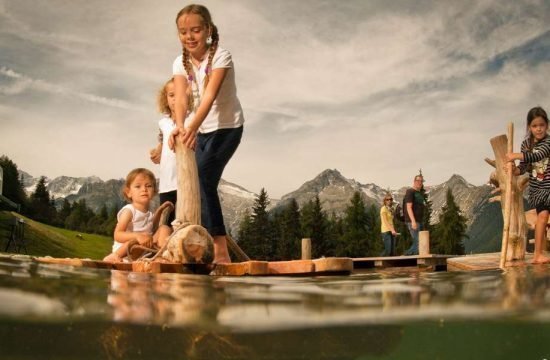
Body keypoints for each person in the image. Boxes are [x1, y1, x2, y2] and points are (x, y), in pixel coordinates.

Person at [169, 4, 244, 264]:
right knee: (195, 182)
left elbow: (210, 96)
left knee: (203, 179)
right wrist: (180, 125)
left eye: (196, 30)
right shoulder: (180, 62)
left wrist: (190, 127)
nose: (189, 37)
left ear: (208, 30)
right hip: (200, 129)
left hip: (228, 128)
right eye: (183, 32)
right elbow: (180, 97)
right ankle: (199, 247)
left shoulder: (222, 56)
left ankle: (220, 252)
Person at [506, 106, 550, 264]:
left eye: (542, 125)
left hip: (549, 186)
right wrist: (514, 169)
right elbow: (524, 167)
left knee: (544, 218)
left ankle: (540, 253)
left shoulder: (548, 142)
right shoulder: (526, 144)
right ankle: (538, 254)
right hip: (538, 189)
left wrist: (516, 155)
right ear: (529, 127)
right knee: (542, 217)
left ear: (547, 125)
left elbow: (538, 155)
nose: (538, 129)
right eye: (534, 126)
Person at [103, 168, 173, 262]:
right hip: (126, 252)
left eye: (148, 186)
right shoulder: (129, 211)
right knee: (134, 242)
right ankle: (113, 256)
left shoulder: (149, 213)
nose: (144, 189)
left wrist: (161, 209)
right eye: (138, 186)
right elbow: (117, 234)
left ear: (154, 191)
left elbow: (152, 227)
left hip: (143, 252)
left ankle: (161, 257)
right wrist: (137, 236)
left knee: (164, 228)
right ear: (129, 192)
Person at [150, 78, 178, 225]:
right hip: (166, 182)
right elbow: (162, 139)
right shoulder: (163, 123)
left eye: (180, 94)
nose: (175, 99)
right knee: (165, 224)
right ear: (165, 98)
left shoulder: (192, 119)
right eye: (172, 95)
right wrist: (157, 152)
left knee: (183, 222)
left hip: (184, 182)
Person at [404, 174, 426, 255]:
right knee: (418, 243)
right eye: (418, 181)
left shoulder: (419, 193)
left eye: (421, 181)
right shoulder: (410, 191)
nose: (420, 182)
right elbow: (409, 207)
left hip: (419, 221)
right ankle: (405, 257)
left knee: (418, 243)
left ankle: (407, 257)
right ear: (414, 181)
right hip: (412, 221)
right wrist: (413, 221)